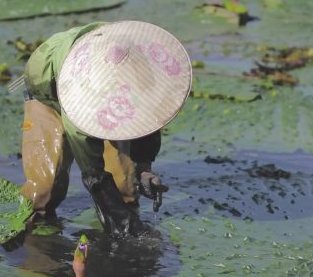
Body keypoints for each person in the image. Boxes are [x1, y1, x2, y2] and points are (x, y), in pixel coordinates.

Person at [18, 21, 192, 238]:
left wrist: (144, 168)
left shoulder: (140, 62)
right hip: (49, 92)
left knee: (124, 189)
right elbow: (92, 170)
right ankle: (37, 250)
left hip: (108, 82)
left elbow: (150, 115)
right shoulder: (80, 92)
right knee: (43, 192)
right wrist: (108, 205)